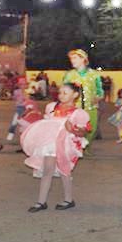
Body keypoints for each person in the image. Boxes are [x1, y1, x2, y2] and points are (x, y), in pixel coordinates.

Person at [21, 82, 90, 213]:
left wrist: (73, 130)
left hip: (65, 144)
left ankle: (68, 199)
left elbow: (83, 132)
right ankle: (41, 202)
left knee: (65, 171)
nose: (61, 95)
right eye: (60, 92)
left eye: (65, 93)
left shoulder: (79, 113)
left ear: (75, 95)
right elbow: (46, 124)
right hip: (49, 143)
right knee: (47, 170)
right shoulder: (51, 107)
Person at [62, 49, 103, 143]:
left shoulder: (94, 75)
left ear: (83, 59)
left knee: (91, 128)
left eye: (75, 58)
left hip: (91, 107)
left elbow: (99, 91)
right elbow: (64, 90)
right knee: (74, 128)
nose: (72, 60)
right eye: (71, 58)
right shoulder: (69, 75)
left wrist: (98, 98)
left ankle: (86, 147)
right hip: (74, 108)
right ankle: (76, 147)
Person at [6, 77, 28, 142]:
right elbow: (15, 98)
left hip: (26, 109)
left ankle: (23, 138)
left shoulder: (27, 92)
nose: (23, 86)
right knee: (14, 122)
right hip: (19, 108)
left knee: (23, 125)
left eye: (24, 84)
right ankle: (11, 133)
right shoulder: (17, 91)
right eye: (21, 84)